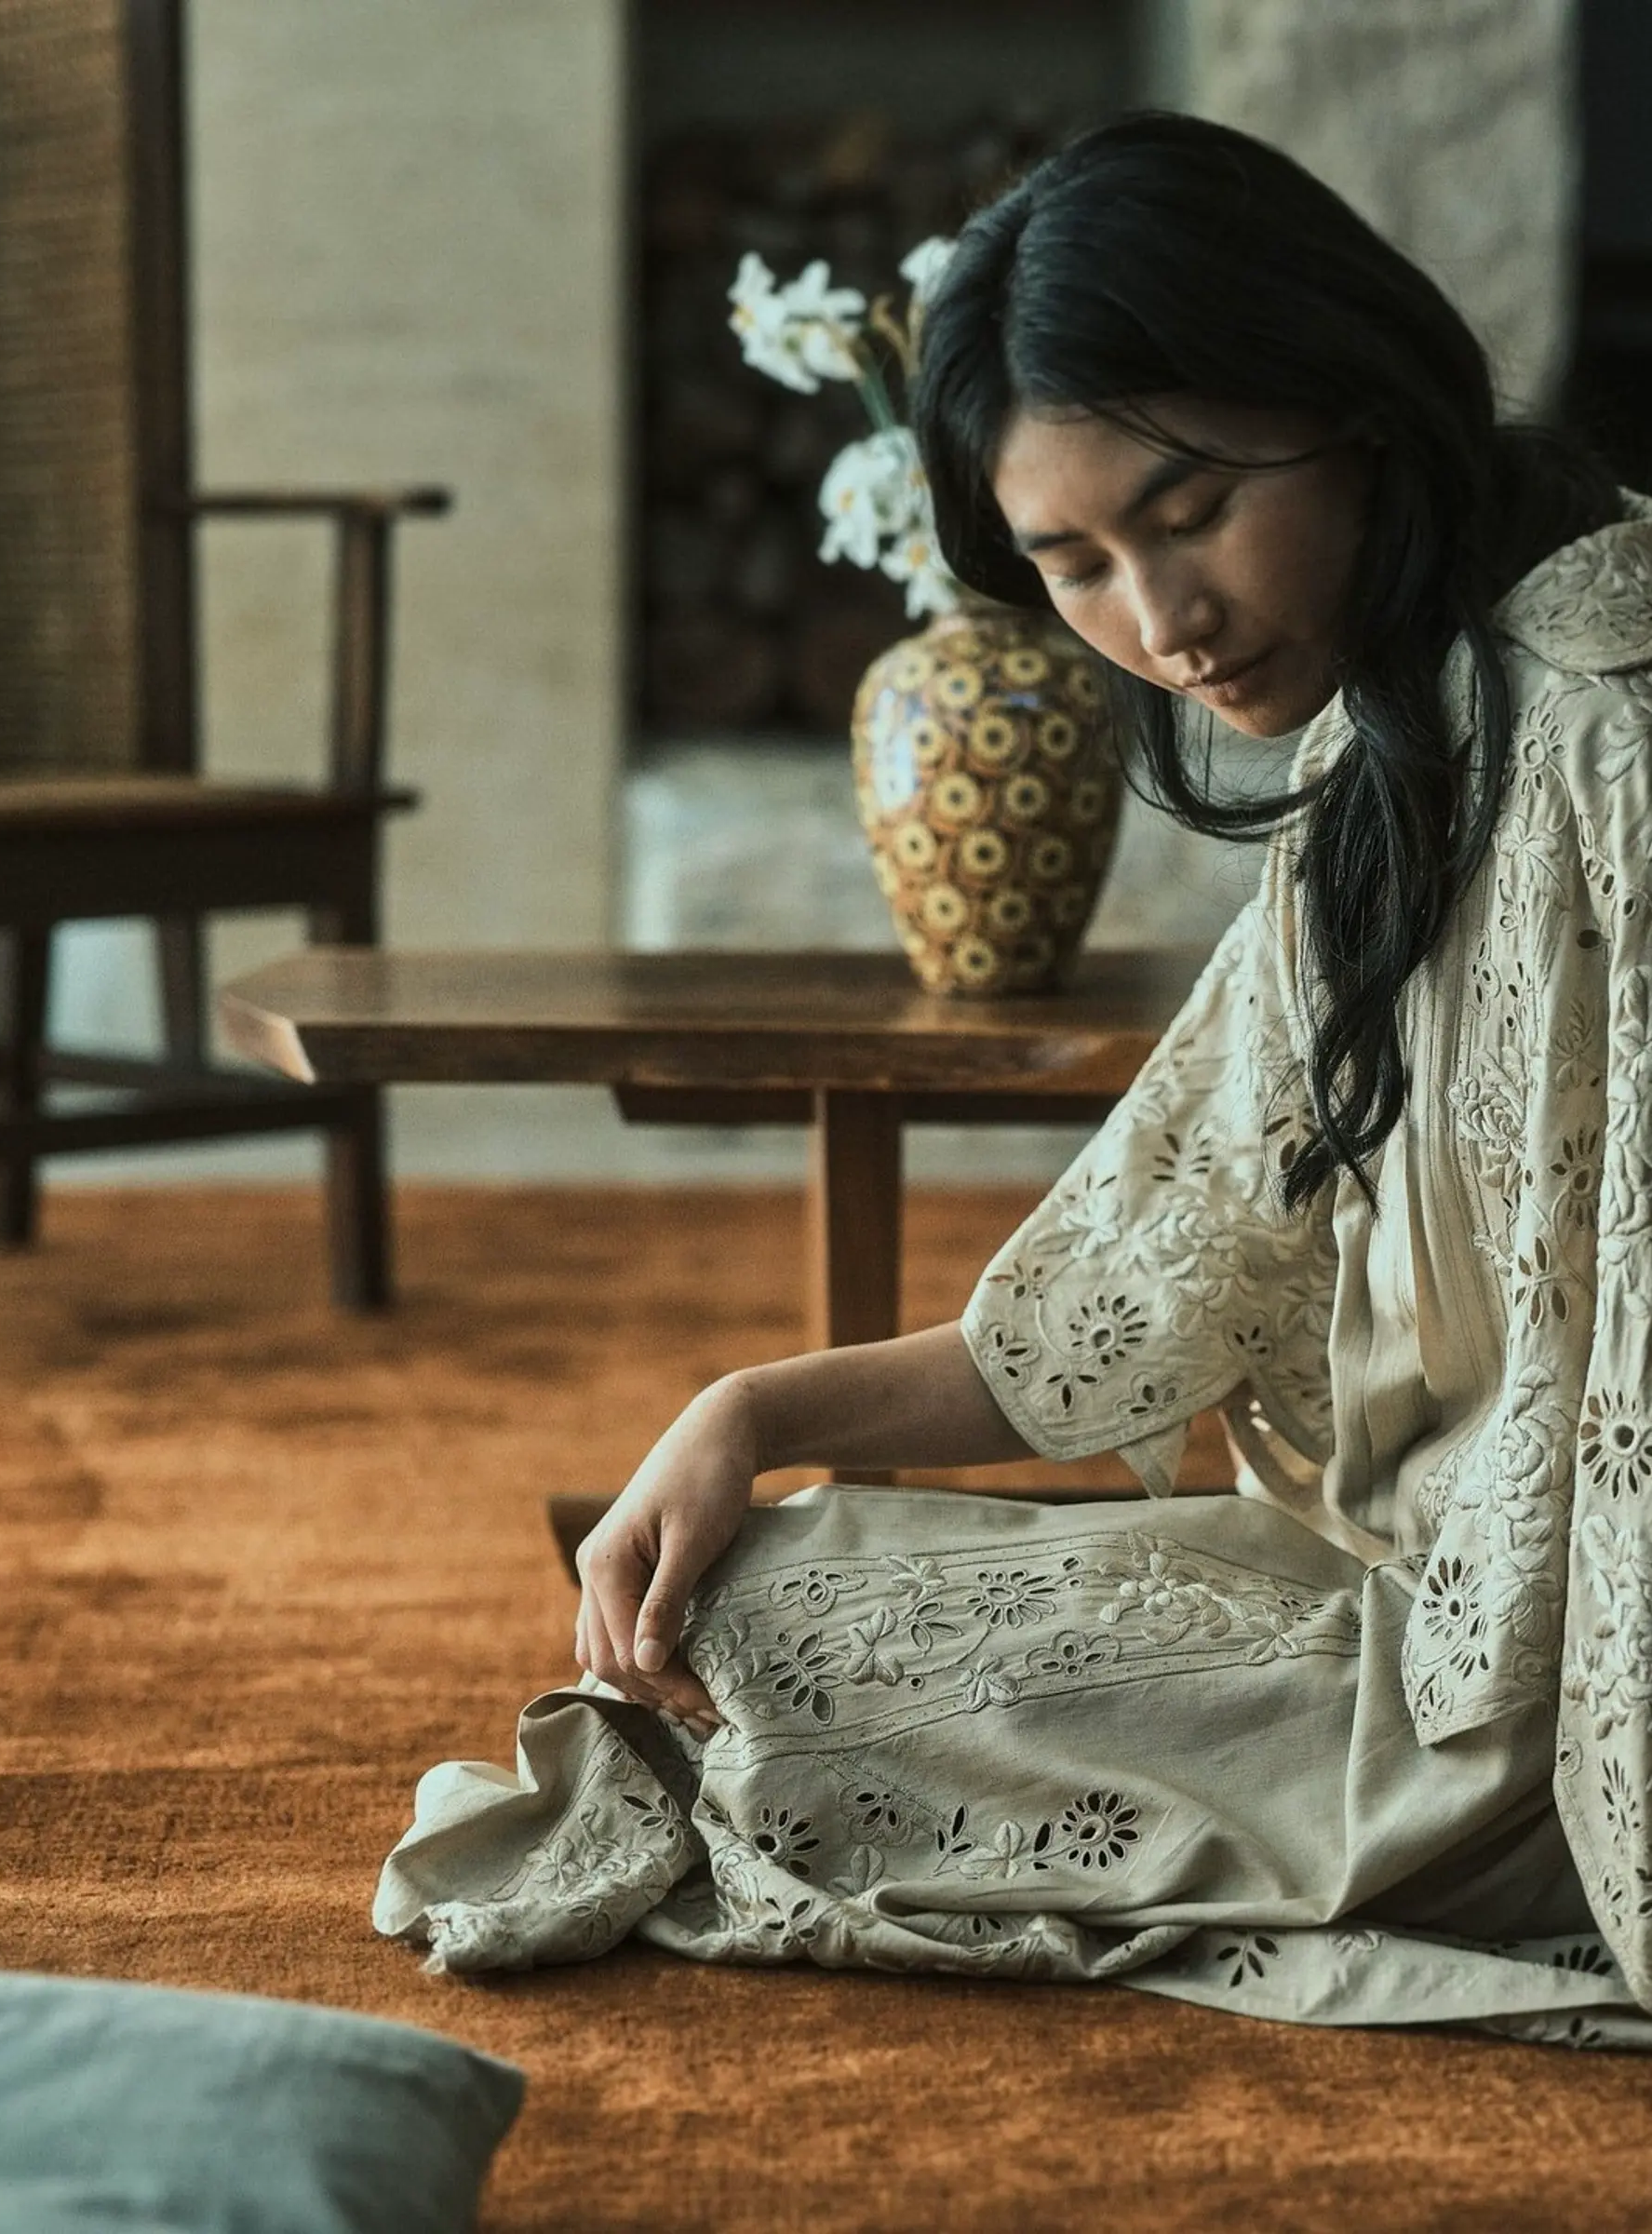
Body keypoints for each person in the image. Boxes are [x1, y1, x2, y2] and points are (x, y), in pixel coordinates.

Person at [375, 114, 1652, 2046]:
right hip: (1399, 1624)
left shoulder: (1607, 735)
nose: (1162, 623)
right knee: (766, 1618)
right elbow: (1157, 1272)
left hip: (1571, 1701)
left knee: (794, 1747)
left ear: (1357, 399)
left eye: (1191, 510)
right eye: (1077, 563)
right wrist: (746, 1410)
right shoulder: (1396, 729)